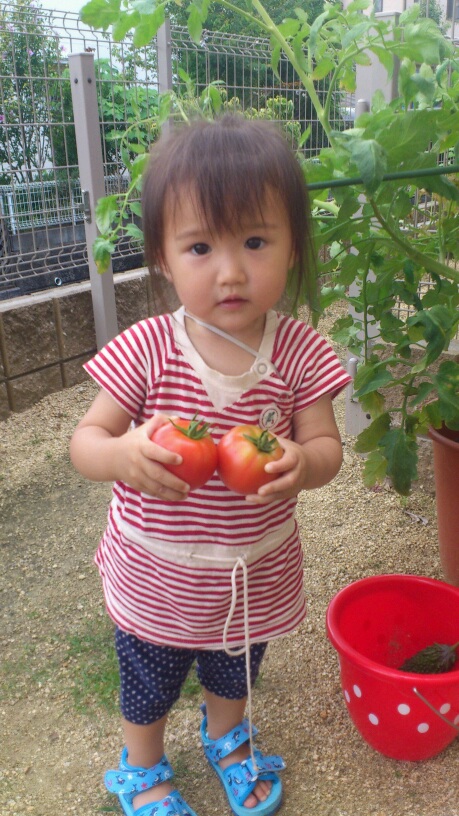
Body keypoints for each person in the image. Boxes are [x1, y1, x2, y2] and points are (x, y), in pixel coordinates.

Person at [70, 114, 352, 816]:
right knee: (148, 681)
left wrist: (303, 462)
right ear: (163, 258)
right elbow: (86, 441)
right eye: (200, 247)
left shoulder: (300, 353)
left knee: (236, 666)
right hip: (157, 575)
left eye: (255, 241)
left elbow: (327, 449)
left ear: (292, 246)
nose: (230, 271)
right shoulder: (147, 348)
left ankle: (226, 736)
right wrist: (121, 454)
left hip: (249, 573)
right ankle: (141, 766)